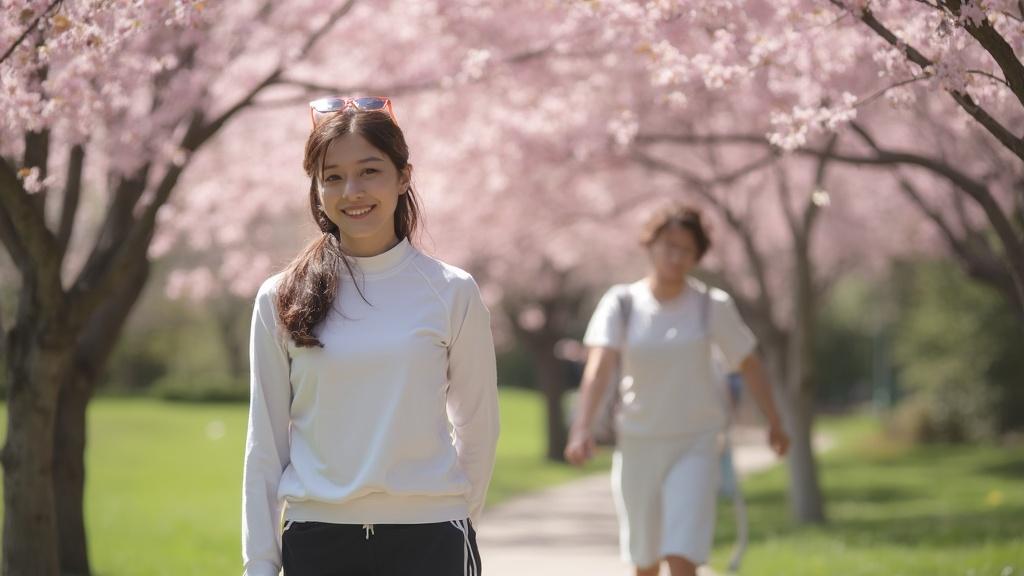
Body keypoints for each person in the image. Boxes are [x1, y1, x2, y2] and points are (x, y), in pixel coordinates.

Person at [242, 96, 499, 576]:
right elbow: (265, 444)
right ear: (316, 188)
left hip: (431, 540)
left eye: (369, 171)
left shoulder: (452, 291)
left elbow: (478, 428)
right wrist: (259, 563)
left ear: (403, 177)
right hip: (317, 541)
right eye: (333, 177)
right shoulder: (280, 297)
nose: (352, 191)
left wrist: (454, 519)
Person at [565, 203, 789, 576]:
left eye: (686, 249)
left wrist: (775, 422)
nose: (676, 256)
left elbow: (749, 364)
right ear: (650, 244)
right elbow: (599, 367)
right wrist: (581, 427)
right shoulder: (622, 303)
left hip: (695, 442)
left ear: (697, 256)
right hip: (638, 443)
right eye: (669, 245)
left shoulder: (711, 306)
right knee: (645, 561)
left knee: (682, 555)